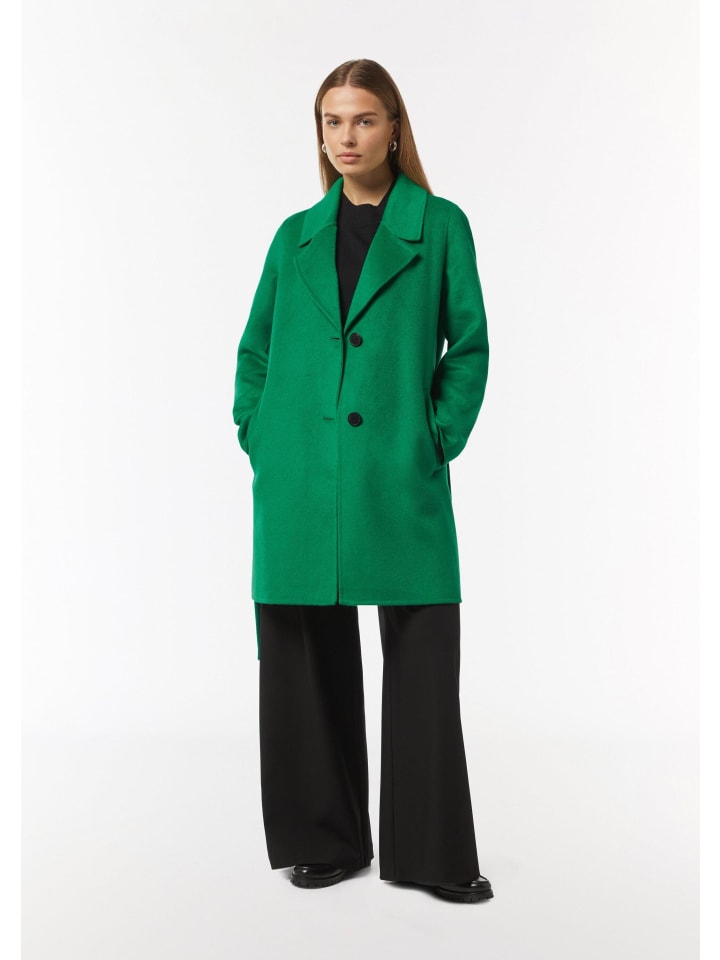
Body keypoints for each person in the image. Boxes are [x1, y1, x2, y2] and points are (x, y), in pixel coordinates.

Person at [232, 59, 493, 904]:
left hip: (395, 470)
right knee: (303, 658)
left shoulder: (439, 226)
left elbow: (469, 347)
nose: (346, 137)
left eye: (364, 120)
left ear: (394, 128)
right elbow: (255, 352)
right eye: (332, 121)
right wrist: (261, 433)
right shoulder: (294, 237)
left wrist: (434, 436)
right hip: (299, 478)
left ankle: (431, 853)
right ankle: (326, 841)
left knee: (423, 654)